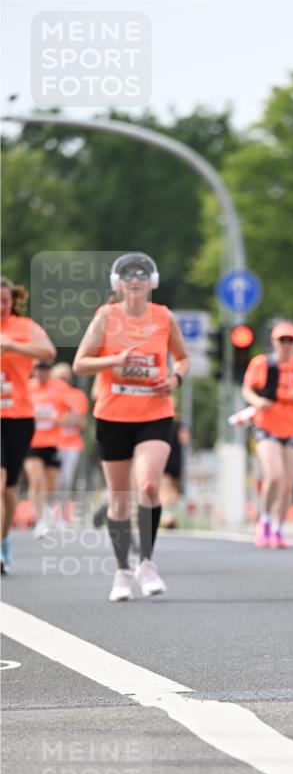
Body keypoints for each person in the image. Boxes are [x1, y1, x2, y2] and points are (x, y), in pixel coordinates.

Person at [73, 252, 189, 601]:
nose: (134, 279)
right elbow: (80, 364)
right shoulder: (106, 317)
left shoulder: (163, 316)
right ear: (118, 284)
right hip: (113, 416)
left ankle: (147, 562)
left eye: (141, 274)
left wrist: (175, 379)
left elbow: (182, 358)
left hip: (155, 412)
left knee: (150, 484)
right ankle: (122, 570)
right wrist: (115, 360)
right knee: (121, 499)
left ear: (151, 281)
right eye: (127, 274)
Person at [0, 275, 56, 572]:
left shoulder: (24, 328)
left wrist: (12, 346)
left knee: (8, 489)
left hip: (17, 415)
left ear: (13, 301)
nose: (1, 307)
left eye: (5, 301)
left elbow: (48, 352)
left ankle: (3, 541)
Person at [242, 320, 293, 548]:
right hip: (268, 424)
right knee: (274, 475)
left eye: (290, 340)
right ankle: (264, 519)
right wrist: (258, 401)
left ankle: (279, 528)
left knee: (288, 483)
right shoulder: (262, 364)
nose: (286, 344)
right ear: (274, 341)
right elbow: (248, 389)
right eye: (282, 340)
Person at [25, 362, 71, 537]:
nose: (41, 372)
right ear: (34, 370)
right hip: (31, 441)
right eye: (38, 369)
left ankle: (51, 514)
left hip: (53, 442)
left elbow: (70, 413)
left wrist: (58, 419)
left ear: (49, 371)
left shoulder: (59, 388)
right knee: (36, 479)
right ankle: (39, 520)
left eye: (44, 369)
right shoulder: (27, 387)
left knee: (51, 484)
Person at [52, 362, 90, 511]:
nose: (63, 382)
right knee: (50, 480)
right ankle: (46, 514)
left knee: (65, 479)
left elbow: (81, 420)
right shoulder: (47, 393)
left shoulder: (77, 395)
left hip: (71, 444)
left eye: (65, 378)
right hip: (51, 442)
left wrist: (63, 418)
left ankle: (61, 513)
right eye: (59, 379)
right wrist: (66, 417)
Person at [160, 417, 191, 529]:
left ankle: (169, 516)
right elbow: (186, 440)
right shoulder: (177, 425)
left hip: (171, 461)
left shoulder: (174, 425)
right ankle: (169, 516)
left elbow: (186, 440)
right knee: (169, 490)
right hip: (171, 462)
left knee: (171, 491)